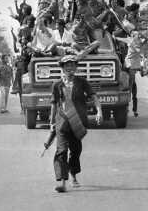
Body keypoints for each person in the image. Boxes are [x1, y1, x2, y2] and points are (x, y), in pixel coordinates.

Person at [49, 55, 102, 193]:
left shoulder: (82, 82)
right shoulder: (57, 85)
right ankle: (62, 182)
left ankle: (73, 174)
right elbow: (54, 104)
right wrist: (51, 122)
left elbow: (93, 96)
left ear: (76, 68)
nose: (70, 68)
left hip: (77, 122)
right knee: (61, 151)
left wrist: (99, 112)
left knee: (76, 150)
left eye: (72, 65)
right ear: (62, 68)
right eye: (67, 66)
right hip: (62, 122)